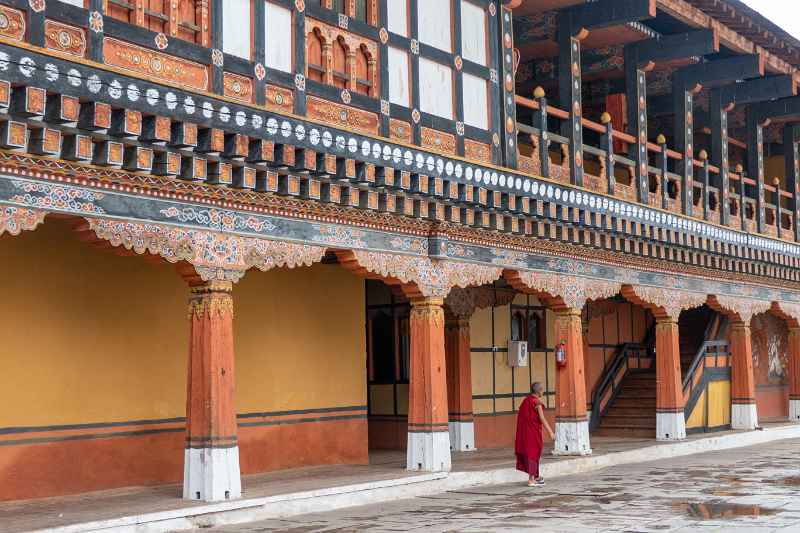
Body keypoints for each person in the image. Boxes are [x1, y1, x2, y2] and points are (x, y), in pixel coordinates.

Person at [515, 382, 554, 487]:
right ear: (539, 391)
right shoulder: (537, 403)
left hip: (526, 433)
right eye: (542, 390)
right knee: (533, 453)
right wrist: (550, 432)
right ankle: (531, 480)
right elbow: (542, 418)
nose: (543, 392)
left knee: (532, 452)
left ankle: (536, 476)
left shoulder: (526, 401)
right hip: (533, 433)